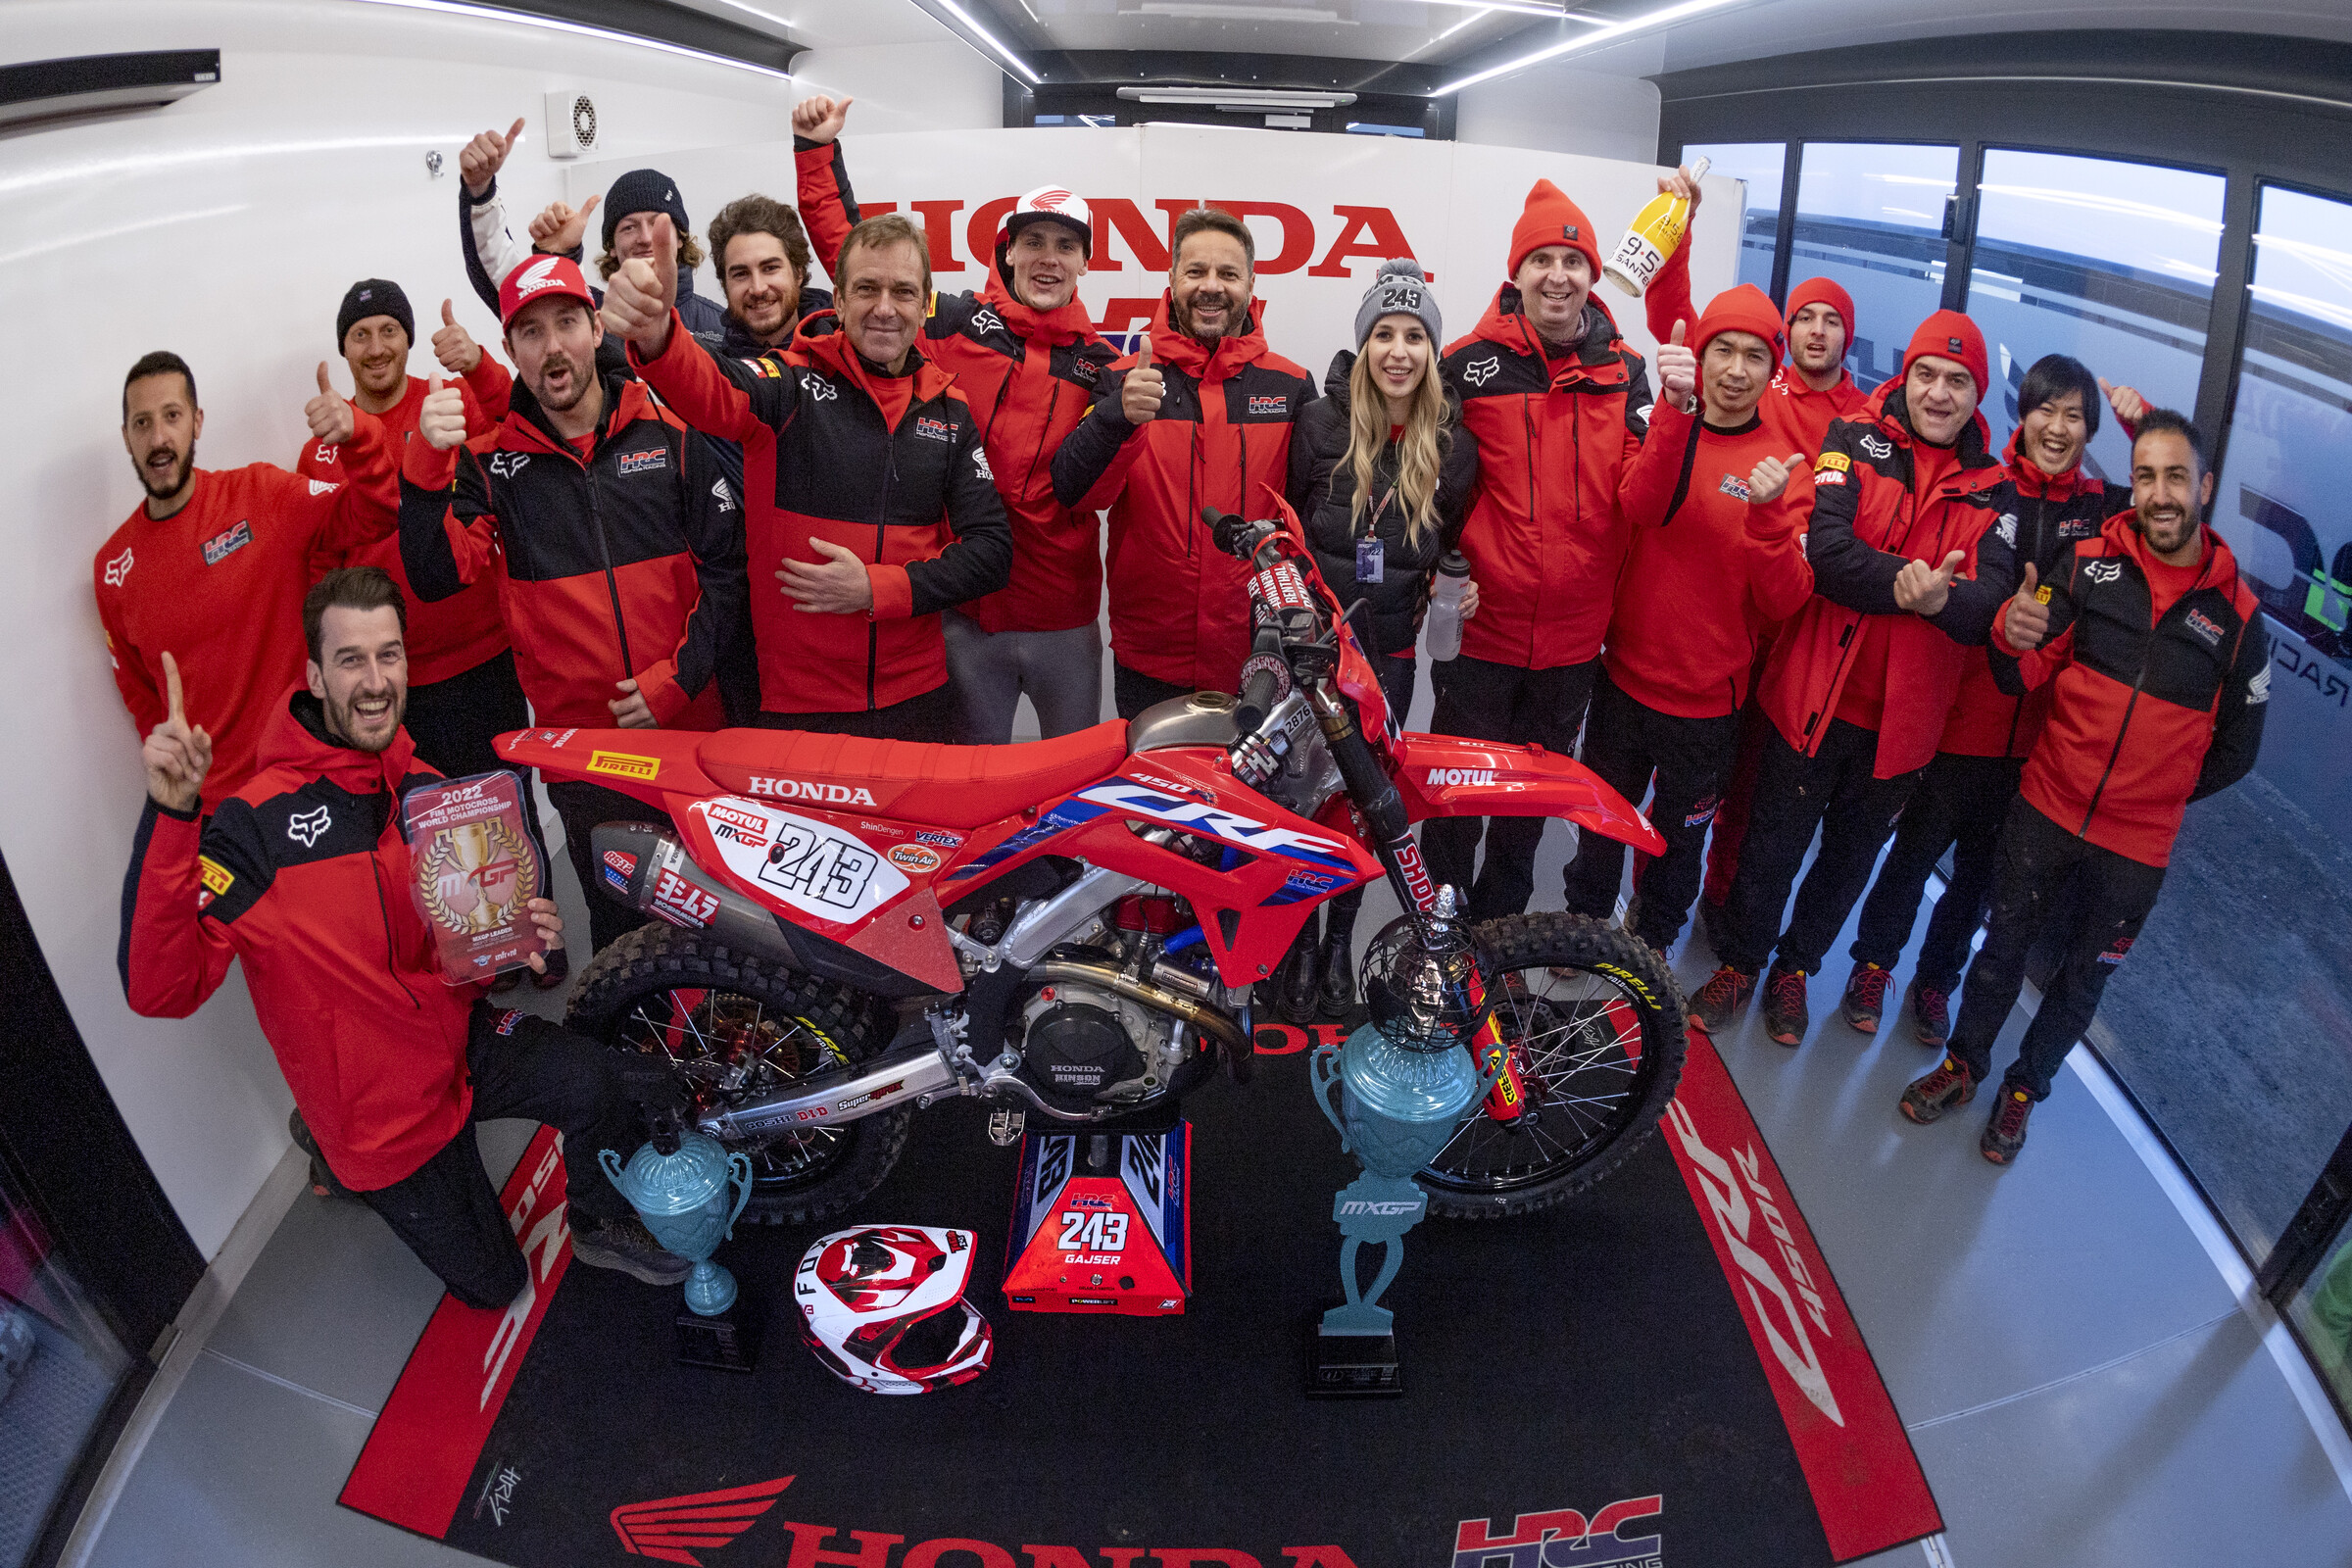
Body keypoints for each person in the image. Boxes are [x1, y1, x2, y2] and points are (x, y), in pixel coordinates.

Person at [120, 566, 692, 1306]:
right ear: (314, 677)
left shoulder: (426, 786)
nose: (375, 681)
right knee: (498, 1286)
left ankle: (598, 1220)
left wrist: (514, 937)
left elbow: (458, 949)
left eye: (388, 655)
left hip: (459, 1049)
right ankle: (330, 1150)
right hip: (380, 1122)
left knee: (601, 1083)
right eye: (350, 659)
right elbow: (161, 989)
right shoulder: (251, 829)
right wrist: (170, 815)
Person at [1899, 411, 2269, 1162]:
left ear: (2204, 488)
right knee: (2002, 951)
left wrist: (2153, 794)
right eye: (2144, 476)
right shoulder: (2088, 565)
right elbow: (2025, 670)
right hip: (2045, 809)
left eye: (2175, 477)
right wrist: (2010, 636)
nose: (2159, 493)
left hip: (2135, 849)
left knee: (2081, 983)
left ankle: (2023, 1091)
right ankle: (1963, 1066)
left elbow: (2237, 752)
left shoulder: (2240, 617)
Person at [400, 255, 749, 954]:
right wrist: (423, 468)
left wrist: (677, 682)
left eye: (566, 323)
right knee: (623, 939)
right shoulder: (490, 465)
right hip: (585, 759)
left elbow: (727, 570)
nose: (552, 346)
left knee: (728, 922)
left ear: (595, 330)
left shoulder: (670, 429)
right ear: (509, 350)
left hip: (690, 733)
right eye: (531, 333)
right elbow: (437, 575)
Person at [1691, 311, 2013, 1046]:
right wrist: (1924, 592)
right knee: (1771, 848)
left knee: (1846, 864)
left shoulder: (1995, 491)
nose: (1938, 393)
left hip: (1902, 730)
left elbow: (1989, 606)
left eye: (1958, 381)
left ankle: (1795, 971)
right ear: (1907, 375)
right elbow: (1830, 555)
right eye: (1926, 374)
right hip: (1811, 699)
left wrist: (1945, 601)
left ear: (1977, 396)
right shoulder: (1852, 438)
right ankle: (1741, 962)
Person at [603, 217, 1013, 739]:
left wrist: (876, 589)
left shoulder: (950, 408)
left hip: (920, 698)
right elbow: (713, 389)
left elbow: (991, 553)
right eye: (866, 289)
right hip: (798, 707)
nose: (885, 308)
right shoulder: (789, 383)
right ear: (838, 300)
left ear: (924, 303)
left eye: (903, 291)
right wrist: (659, 337)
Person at [792, 95, 1121, 742]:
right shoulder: (953, 321)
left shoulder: (1102, 368)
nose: (1049, 258)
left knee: (1070, 779)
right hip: (963, 611)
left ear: (1085, 262)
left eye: (1065, 245)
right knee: (968, 777)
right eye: (1033, 242)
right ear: (1008, 252)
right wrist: (816, 154)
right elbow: (857, 256)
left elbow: (1102, 489)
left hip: (1063, 619)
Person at [1843, 356, 2146, 1044]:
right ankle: (1872, 965)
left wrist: (2141, 427)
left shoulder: (2101, 509)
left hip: (2035, 741)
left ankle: (1935, 982)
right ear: (2023, 415)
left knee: (1980, 878)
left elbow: (2171, 507)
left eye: (2075, 416)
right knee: (1912, 855)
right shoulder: (1986, 484)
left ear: (2090, 429)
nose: (2057, 427)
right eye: (2045, 410)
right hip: (1957, 722)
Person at [1643, 184, 1874, 941]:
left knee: (1746, 794)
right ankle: (1660, 908)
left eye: (1831, 319)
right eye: (1805, 316)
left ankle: (1721, 904)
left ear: (1847, 337)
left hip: (1796, 635)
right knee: (1690, 792)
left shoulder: (1864, 421)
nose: (1817, 330)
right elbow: (1680, 323)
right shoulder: (1757, 385)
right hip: (1723, 627)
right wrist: (1679, 230)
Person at [1426, 178, 1659, 923]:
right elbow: (1431, 490)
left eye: (1573, 260)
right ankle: (1438, 931)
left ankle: (1500, 929)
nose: (1558, 275)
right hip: (1481, 631)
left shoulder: (1626, 371)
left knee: (1528, 805)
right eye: (1542, 260)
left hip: (1573, 641)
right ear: (1517, 272)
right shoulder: (1464, 364)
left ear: (1593, 275)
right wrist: (1437, 574)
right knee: (1458, 794)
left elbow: (1644, 490)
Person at [1561, 286, 1816, 956]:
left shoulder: (1784, 469)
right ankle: (1584, 928)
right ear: (1700, 360)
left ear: (1773, 370)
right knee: (1602, 825)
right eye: (1722, 351)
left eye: (1754, 357)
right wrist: (1675, 416)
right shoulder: (1665, 427)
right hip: (1623, 680)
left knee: (1679, 843)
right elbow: (1641, 507)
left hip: (1708, 705)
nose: (1735, 370)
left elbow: (1786, 601)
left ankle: (1652, 948)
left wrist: (1767, 518)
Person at [1282, 259, 1478, 1018]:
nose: (1399, 351)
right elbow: (1286, 523)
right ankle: (1298, 941)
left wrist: (1458, 586)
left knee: (1365, 807)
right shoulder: (1318, 423)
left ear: (1432, 350)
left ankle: (1338, 941)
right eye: (1385, 334)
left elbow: (1449, 545)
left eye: (1415, 336)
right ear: (1364, 343)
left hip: (1388, 657)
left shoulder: (1453, 446)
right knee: (1299, 804)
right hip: (1310, 653)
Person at [97, 352, 399, 812]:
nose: (158, 438)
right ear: (126, 437)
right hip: (216, 813)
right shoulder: (112, 570)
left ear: (197, 422)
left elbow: (378, 513)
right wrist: (182, 782)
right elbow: (143, 699)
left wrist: (359, 437)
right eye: (142, 423)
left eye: (172, 416)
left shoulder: (259, 495)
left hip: (313, 779)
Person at [1052, 207, 1319, 720]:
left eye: (1228, 273)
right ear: (1173, 279)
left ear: (1251, 285)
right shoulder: (1123, 379)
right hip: (1152, 653)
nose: (1211, 286)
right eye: (1196, 271)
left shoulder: (1291, 387)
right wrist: (1114, 417)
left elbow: (1309, 517)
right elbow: (1075, 494)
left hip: (1260, 652)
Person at [298, 278, 527, 779]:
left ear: (408, 338)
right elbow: (321, 569)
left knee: (506, 808)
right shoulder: (323, 448)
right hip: (388, 683)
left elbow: (524, 430)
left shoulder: (449, 401)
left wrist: (478, 364)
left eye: (389, 330)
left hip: (485, 660)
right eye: (360, 335)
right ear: (343, 349)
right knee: (414, 819)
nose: (376, 348)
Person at [454, 118, 727, 338]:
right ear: (611, 248)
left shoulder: (720, 327)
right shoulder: (583, 313)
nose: (645, 238)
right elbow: (503, 279)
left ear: (680, 239)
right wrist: (480, 191)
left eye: (658, 224)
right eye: (629, 228)